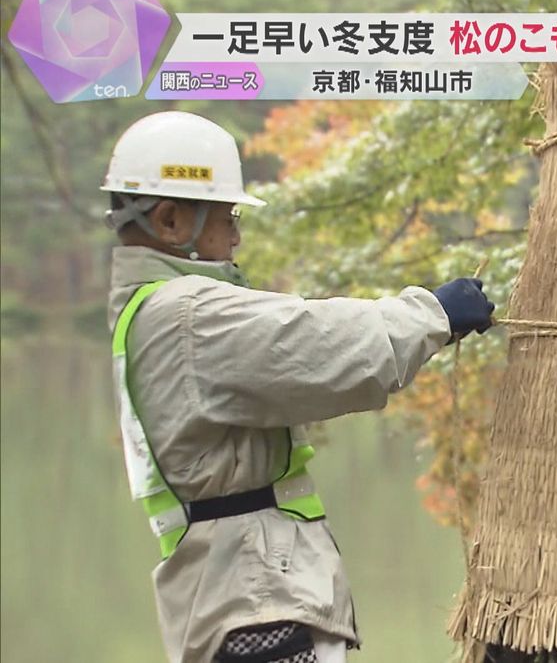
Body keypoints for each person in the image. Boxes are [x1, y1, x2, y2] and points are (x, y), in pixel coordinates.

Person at [103, 111, 495, 663]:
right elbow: (317, 343)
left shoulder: (154, 311)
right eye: (227, 217)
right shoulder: (187, 313)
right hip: (254, 598)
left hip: (236, 590)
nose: (236, 235)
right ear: (170, 221)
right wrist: (433, 313)